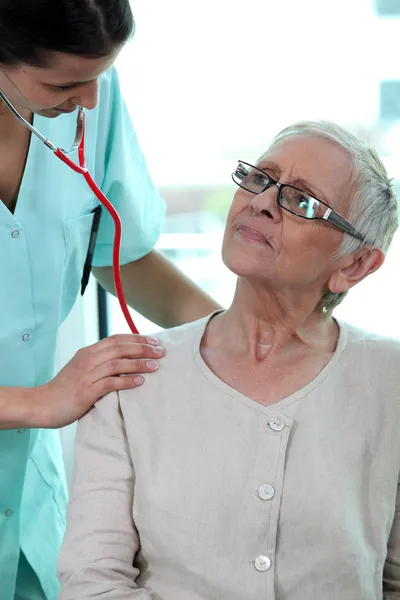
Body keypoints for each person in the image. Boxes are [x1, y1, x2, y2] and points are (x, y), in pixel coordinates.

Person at [58, 120, 400, 600]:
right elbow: (92, 585)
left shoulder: (389, 381)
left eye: (301, 201)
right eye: (260, 179)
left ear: (355, 264)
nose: (260, 202)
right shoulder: (132, 378)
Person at [0, 1, 220, 599]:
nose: (90, 101)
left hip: (31, 500)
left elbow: (121, 251)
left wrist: (235, 338)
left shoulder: (91, 97)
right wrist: (41, 401)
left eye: (101, 76)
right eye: (65, 84)